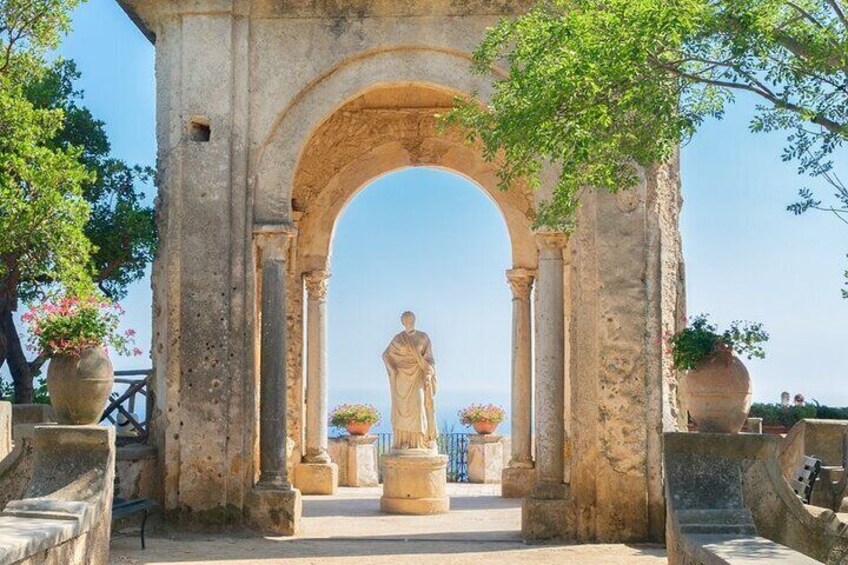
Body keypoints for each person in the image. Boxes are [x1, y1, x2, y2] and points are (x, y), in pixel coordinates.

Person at [382, 311, 438, 451]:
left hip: (417, 375)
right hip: (401, 378)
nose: (408, 321)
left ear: (414, 320)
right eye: (405, 319)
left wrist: (429, 373)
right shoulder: (398, 338)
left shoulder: (423, 337)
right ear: (402, 322)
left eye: (410, 319)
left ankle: (419, 442)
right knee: (402, 409)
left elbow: (429, 359)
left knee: (418, 406)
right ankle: (403, 441)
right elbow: (385, 355)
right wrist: (392, 370)